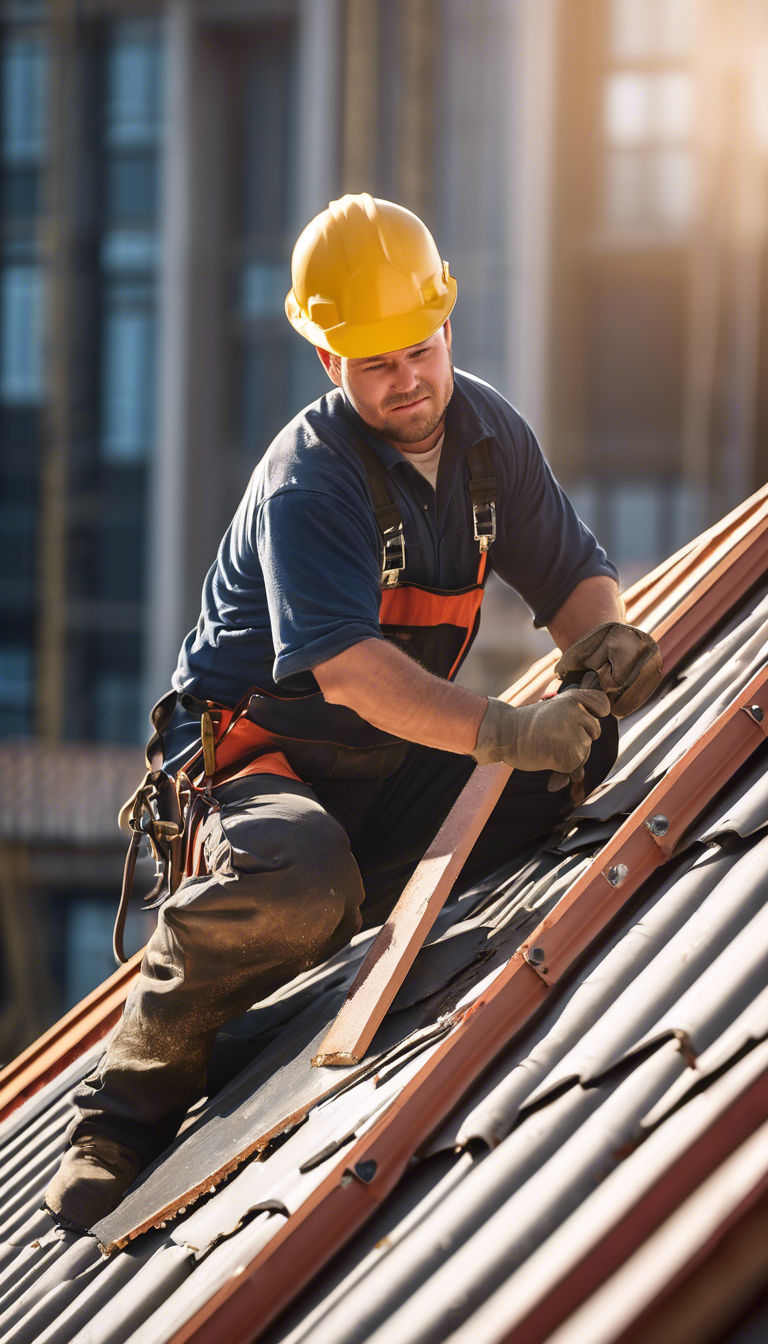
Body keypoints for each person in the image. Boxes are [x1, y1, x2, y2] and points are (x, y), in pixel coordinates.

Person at [45, 194, 661, 1231]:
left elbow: (572, 579)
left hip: (388, 764)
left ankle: (252, 1031)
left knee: (568, 768)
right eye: (376, 362)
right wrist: (505, 728)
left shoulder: (485, 440)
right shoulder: (311, 482)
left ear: (447, 326)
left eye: (420, 350)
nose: (408, 379)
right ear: (329, 361)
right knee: (301, 875)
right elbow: (352, 677)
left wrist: (605, 639)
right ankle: (123, 1109)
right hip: (255, 768)